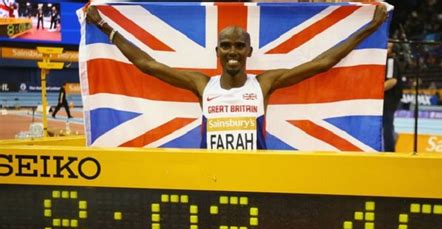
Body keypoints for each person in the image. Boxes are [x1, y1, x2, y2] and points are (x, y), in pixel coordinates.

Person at [86, 4, 387, 150]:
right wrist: (104, 26)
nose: (233, 51)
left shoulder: (264, 84)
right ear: (217, 51)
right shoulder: (202, 84)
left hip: (253, 175)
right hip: (211, 174)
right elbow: (147, 64)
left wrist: (370, 28)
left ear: (249, 50)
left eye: (239, 46)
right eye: (227, 46)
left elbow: (323, 62)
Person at [383, 42, 403, 152]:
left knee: (386, 124)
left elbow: (392, 81)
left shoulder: (390, 61)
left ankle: (389, 151)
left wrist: (376, 91)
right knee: (386, 124)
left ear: (393, 50)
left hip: (389, 98)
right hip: (390, 98)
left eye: (387, 47)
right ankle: (393, 137)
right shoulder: (389, 61)